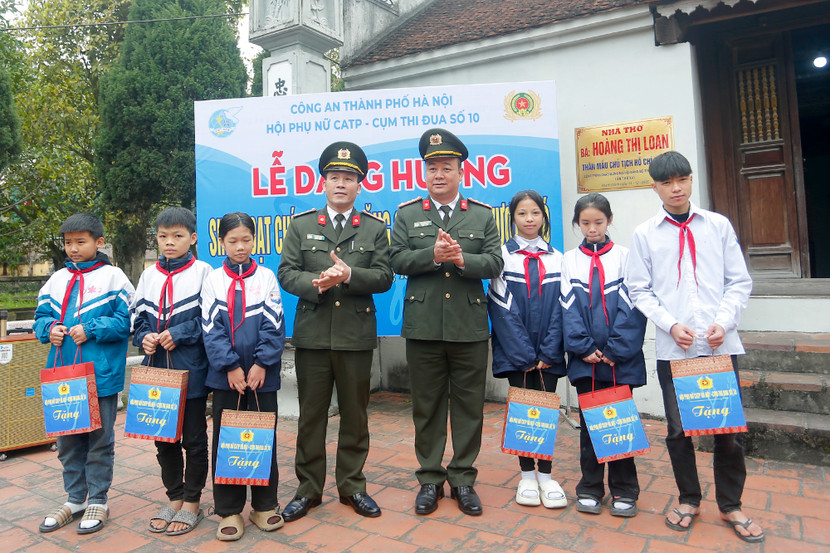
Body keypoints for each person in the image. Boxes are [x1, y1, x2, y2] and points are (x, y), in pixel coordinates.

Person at [626, 151, 763, 543]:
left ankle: (731, 504)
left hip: (720, 345)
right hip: (677, 349)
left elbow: (738, 281)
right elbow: (639, 288)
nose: (676, 188)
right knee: (678, 430)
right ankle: (689, 498)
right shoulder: (645, 234)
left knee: (728, 432)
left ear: (690, 180)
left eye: (682, 179)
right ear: (654, 187)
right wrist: (669, 324)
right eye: (666, 182)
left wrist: (725, 321)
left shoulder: (717, 226)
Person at [390, 128, 503, 517]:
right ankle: (429, 480)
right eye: (432, 168)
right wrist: (433, 255)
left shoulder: (482, 215)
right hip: (423, 327)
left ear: (460, 171)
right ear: (424, 173)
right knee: (427, 406)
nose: (439, 174)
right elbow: (396, 260)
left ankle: (463, 480)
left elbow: (494, 262)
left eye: (447, 167)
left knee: (470, 406)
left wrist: (460, 261)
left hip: (469, 325)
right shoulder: (407, 215)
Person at [277, 141, 393, 521]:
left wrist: (350, 275)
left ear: (360, 186)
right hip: (313, 336)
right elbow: (287, 273)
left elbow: (385, 276)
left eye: (348, 178)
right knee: (311, 416)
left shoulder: (374, 229)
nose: (340, 184)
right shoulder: (302, 225)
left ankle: (352, 488)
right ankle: (308, 490)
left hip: (355, 336)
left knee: (356, 417)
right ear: (323, 183)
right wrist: (317, 282)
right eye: (334, 177)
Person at [34, 213, 135, 535]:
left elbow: (128, 321)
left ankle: (99, 499)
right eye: (68, 243)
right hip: (63, 374)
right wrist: (48, 329)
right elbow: (40, 317)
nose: (73, 249)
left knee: (99, 439)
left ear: (98, 242)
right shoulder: (56, 280)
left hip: (100, 374)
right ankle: (75, 498)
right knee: (67, 441)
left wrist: (91, 329)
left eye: (81, 242)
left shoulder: (114, 277)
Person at [560, 193, 647, 517]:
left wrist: (615, 350)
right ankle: (590, 488)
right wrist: (585, 347)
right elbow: (567, 308)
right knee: (590, 424)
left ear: (609, 221)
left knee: (621, 422)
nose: (592, 228)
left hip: (620, 360)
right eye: (585, 223)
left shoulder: (626, 257)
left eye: (598, 222)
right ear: (577, 224)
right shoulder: (569, 260)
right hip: (587, 361)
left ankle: (625, 490)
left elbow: (634, 306)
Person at [201, 212, 285, 541]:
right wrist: (230, 366)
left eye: (246, 240)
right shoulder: (213, 280)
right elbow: (211, 329)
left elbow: (274, 324)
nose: (240, 247)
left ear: (255, 240)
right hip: (227, 376)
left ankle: (264, 505)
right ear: (221, 242)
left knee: (264, 436)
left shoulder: (266, 277)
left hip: (262, 375)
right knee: (226, 439)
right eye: (233, 241)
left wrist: (263, 363)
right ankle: (229, 509)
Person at [131, 207, 212, 536]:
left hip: (190, 372)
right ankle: (174, 497)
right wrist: (144, 338)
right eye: (163, 236)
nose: (169, 242)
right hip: (156, 373)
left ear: (192, 238)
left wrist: (179, 334)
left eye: (177, 236)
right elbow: (137, 322)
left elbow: (210, 320)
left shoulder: (204, 272)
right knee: (164, 441)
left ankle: (193, 502)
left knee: (194, 440)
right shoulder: (148, 276)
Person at [487, 190, 567, 509]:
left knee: (546, 410)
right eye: (522, 213)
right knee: (523, 409)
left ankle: (546, 476)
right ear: (513, 219)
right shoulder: (501, 258)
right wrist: (523, 354)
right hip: (516, 354)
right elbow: (501, 308)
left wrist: (548, 352)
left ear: (544, 217)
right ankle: (525, 477)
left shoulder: (558, 259)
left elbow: (564, 308)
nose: (529, 219)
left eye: (535, 213)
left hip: (549, 354)